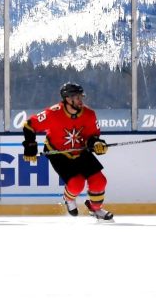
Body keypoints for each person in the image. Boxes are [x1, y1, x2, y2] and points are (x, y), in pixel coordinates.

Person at [21, 82, 113, 221]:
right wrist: (30, 147)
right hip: (59, 154)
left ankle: (96, 209)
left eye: (81, 97)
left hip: (81, 152)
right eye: (77, 97)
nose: (80, 100)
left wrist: (97, 144)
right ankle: (68, 199)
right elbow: (28, 125)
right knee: (76, 184)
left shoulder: (89, 114)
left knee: (99, 181)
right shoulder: (52, 113)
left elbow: (92, 137)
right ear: (68, 99)